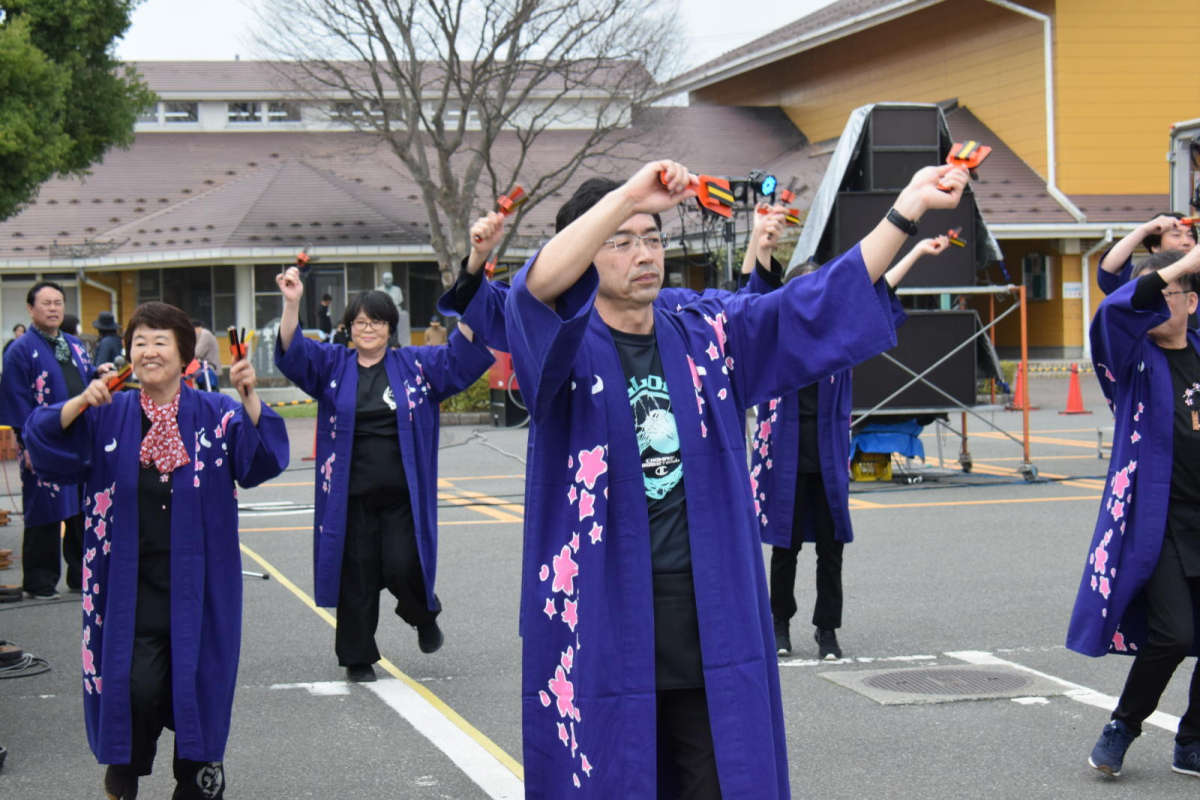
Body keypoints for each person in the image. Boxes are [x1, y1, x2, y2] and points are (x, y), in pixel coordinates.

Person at [496, 159, 969, 798]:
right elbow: (534, 288)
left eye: (653, 237)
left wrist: (905, 209)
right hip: (602, 624)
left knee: (717, 781)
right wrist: (634, 194)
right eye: (622, 239)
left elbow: (811, 304)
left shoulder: (704, 331)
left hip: (706, 621)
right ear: (584, 253)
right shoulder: (559, 343)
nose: (645, 253)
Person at [22, 301, 289, 800]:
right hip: (128, 581)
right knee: (135, 684)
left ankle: (198, 776)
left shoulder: (218, 412)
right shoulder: (109, 412)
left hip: (200, 581)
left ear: (185, 354)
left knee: (199, 679)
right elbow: (41, 440)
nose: (148, 351)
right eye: (139, 342)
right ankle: (125, 764)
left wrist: (250, 396)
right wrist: (81, 401)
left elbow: (265, 460)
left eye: (160, 341)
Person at [274, 270, 494, 682]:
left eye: (376, 321)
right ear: (349, 329)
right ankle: (358, 657)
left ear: (391, 327)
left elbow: (459, 355)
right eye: (359, 322)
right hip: (350, 496)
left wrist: (470, 296)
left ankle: (422, 616)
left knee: (403, 563)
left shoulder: (414, 364)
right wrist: (291, 303)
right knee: (354, 575)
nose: (368, 328)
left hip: (400, 497)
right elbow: (293, 350)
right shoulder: (333, 365)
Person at [760, 236, 948, 660]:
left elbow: (874, 291)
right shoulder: (777, 338)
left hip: (827, 458)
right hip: (786, 459)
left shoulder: (838, 340)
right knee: (784, 550)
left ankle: (827, 630)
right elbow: (755, 292)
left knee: (831, 551)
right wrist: (761, 242)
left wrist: (915, 252)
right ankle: (778, 626)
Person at [1069, 247, 1200, 779]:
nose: (1150, 306)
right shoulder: (1131, 358)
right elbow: (1117, 310)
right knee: (1174, 634)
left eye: (1167, 293)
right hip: (1159, 518)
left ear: (1192, 302)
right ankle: (1124, 724)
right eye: (1149, 294)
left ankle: (1191, 740)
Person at [0, 282, 96, 599]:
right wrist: (25, 443)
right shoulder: (20, 350)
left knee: (82, 508)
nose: (53, 308)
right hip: (44, 440)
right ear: (30, 309)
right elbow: (15, 400)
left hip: (79, 437)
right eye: (46, 303)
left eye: (58, 302)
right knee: (44, 510)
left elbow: (86, 377)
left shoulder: (75, 344)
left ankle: (81, 574)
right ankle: (40, 580)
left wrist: (101, 373)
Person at [1096, 213, 1197, 296]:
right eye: (1176, 235)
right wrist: (1144, 230)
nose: (1186, 242)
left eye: (1190, 235)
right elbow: (1109, 269)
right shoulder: (1142, 277)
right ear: (1155, 246)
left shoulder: (1196, 277)